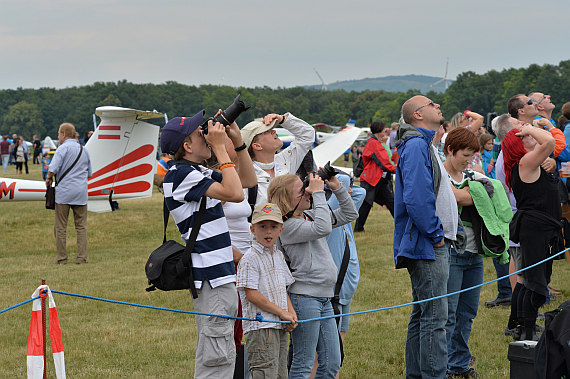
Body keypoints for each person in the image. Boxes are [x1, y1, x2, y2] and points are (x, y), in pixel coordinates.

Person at [161, 109, 252, 378]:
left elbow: (246, 181)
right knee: (216, 361)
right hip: (212, 280)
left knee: (221, 356)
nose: (204, 134)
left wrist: (237, 142)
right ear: (187, 146)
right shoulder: (179, 175)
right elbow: (235, 194)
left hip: (219, 278)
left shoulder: (194, 171)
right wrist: (220, 149)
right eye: (197, 133)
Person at [267, 172, 358, 378]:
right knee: (304, 362)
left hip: (324, 297)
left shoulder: (308, 216)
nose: (307, 191)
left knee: (332, 362)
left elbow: (350, 214)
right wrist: (318, 194)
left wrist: (336, 186)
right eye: (302, 190)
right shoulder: (287, 227)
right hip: (304, 297)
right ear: (287, 200)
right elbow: (324, 228)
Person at [394, 95, 460, 379]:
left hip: (428, 242)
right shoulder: (417, 144)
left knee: (424, 314)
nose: (439, 106)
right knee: (435, 317)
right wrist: (435, 233)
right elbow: (416, 197)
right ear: (418, 115)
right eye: (432, 104)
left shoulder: (425, 143)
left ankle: (418, 375)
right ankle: (434, 375)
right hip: (427, 243)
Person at [502, 122, 559, 341]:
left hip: (540, 228)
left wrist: (551, 161)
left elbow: (549, 145)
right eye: (526, 136)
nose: (532, 137)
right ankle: (525, 331)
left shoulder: (529, 163)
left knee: (534, 280)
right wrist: (528, 129)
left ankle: (523, 328)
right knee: (535, 283)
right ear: (520, 142)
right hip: (535, 229)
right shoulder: (524, 163)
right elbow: (550, 141)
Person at [443, 127, 487, 378]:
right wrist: (473, 194)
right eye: (465, 155)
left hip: (474, 255)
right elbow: (455, 198)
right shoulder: (441, 177)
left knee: (467, 313)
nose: (469, 161)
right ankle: (445, 366)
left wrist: (469, 194)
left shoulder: (473, 174)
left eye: (472, 156)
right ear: (450, 150)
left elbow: (492, 195)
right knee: (448, 314)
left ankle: (459, 364)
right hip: (452, 255)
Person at [236, 203, 297, 379]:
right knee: (265, 374)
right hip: (262, 329)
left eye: (273, 227)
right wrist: (282, 313)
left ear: (281, 230)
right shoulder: (249, 259)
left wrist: (290, 314)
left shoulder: (278, 256)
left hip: (279, 327)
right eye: (262, 227)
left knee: (280, 374)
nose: (268, 232)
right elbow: (251, 294)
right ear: (252, 229)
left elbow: (282, 289)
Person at [240, 112, 315, 207]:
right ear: (257, 146)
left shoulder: (283, 160)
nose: (274, 131)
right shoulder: (245, 176)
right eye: (267, 131)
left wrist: (283, 119)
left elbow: (307, 135)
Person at [46, 123, 92, 265]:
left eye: (59, 134)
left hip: (64, 192)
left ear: (64, 134)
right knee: (81, 227)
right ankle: (81, 258)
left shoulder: (62, 149)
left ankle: (62, 258)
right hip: (81, 192)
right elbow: (89, 173)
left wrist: (48, 178)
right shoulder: (84, 150)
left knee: (60, 227)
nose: (58, 137)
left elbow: (53, 168)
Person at [354, 121, 397, 232]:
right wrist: (398, 170)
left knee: (391, 202)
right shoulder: (374, 144)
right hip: (371, 179)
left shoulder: (373, 142)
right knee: (366, 204)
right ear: (379, 131)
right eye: (384, 129)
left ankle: (401, 224)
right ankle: (358, 228)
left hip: (377, 179)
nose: (385, 131)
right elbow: (384, 163)